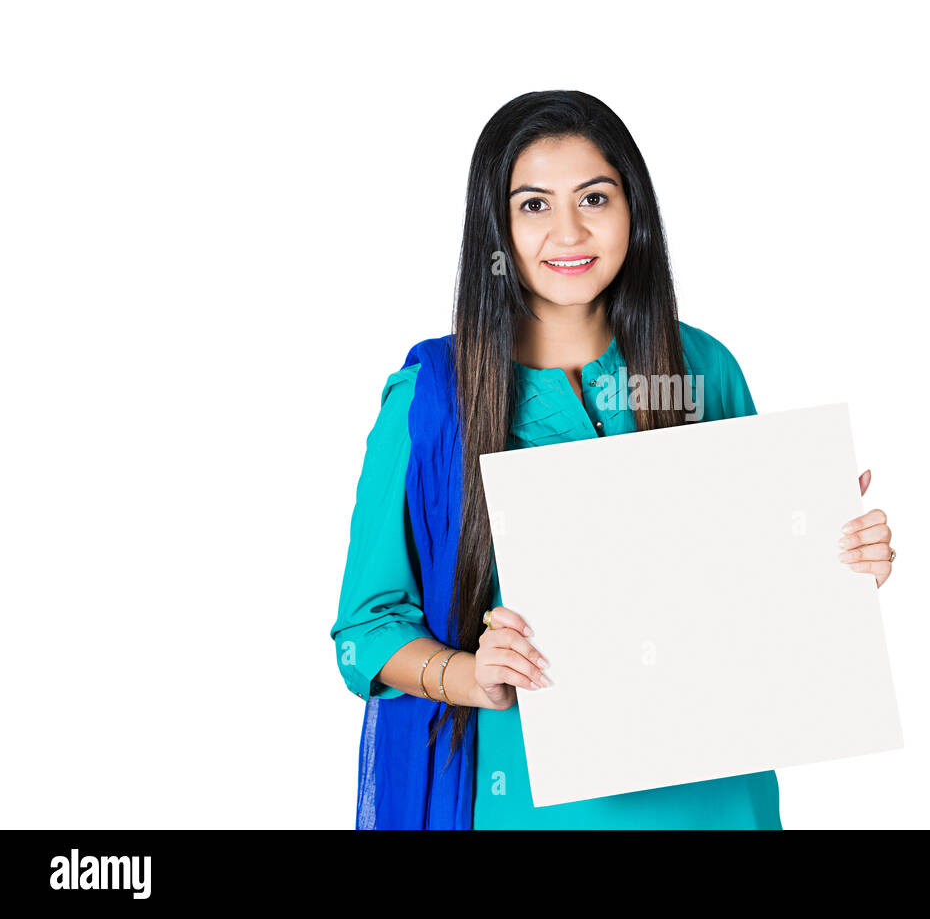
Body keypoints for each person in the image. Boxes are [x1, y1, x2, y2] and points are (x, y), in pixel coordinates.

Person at [329, 90, 896, 829]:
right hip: (537, 800)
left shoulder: (700, 367)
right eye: (533, 205)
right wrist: (470, 675)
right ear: (493, 230)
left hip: (720, 792)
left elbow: (754, 594)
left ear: (636, 212)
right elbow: (364, 631)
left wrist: (835, 556)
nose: (569, 230)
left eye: (594, 197)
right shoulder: (434, 402)